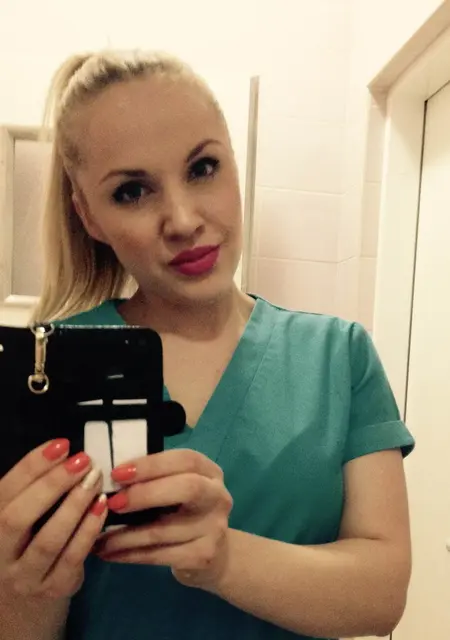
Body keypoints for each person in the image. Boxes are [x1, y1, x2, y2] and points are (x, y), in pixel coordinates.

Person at [0, 50, 415, 640]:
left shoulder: (339, 357)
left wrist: (223, 559)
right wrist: (24, 583)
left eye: (202, 168)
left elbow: (382, 597)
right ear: (88, 216)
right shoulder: (45, 375)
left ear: (234, 165)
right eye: (132, 191)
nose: (182, 220)